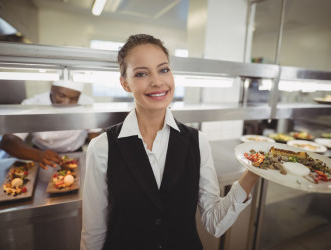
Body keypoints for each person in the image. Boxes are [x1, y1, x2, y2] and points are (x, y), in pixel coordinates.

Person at [80, 34, 261, 250]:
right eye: (141, 73)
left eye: (164, 69)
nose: (157, 81)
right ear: (125, 84)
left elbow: (214, 223)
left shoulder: (197, 142)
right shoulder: (103, 147)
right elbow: (94, 232)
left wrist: (253, 171)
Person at [0, 80, 101, 168]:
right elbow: (7, 142)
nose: (66, 103)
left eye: (73, 99)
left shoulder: (87, 103)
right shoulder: (33, 104)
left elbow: (94, 136)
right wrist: (38, 155)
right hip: (39, 155)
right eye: (61, 96)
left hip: (75, 153)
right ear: (52, 88)